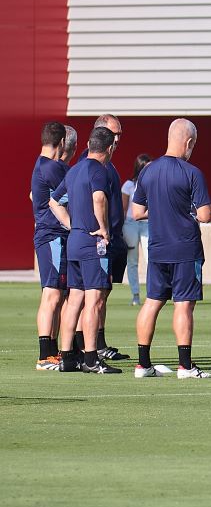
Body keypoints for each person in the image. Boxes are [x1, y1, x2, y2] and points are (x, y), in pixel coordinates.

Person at [130, 119, 211, 378]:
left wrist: (162, 210)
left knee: (152, 302)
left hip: (158, 248)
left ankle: (143, 364)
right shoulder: (192, 173)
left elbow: (137, 212)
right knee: (183, 305)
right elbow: (205, 214)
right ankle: (185, 366)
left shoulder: (147, 171)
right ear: (188, 143)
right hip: (185, 248)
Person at [48, 126, 121, 373]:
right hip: (93, 244)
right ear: (110, 148)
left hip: (76, 240)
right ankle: (91, 359)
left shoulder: (74, 170)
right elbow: (99, 198)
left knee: (74, 299)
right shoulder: (98, 171)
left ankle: (67, 356)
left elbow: (53, 201)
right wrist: (103, 228)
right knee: (94, 299)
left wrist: (71, 223)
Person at [32, 121, 69, 371]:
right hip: (51, 236)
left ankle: (52, 351)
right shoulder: (51, 167)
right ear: (63, 143)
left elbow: (33, 196)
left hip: (50, 235)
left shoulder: (41, 165)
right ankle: (45, 355)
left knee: (56, 294)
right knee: (52, 294)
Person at [94, 114, 129, 361]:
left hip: (115, 238)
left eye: (119, 134)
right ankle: (89, 345)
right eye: (114, 134)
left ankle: (99, 342)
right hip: (100, 241)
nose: (117, 139)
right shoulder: (95, 167)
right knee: (93, 295)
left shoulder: (110, 166)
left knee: (103, 293)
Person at [121, 153, 152, 306]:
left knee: (150, 259)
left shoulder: (153, 184)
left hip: (147, 224)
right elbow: (124, 208)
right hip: (131, 224)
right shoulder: (128, 185)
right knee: (132, 261)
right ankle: (135, 294)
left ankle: (152, 294)